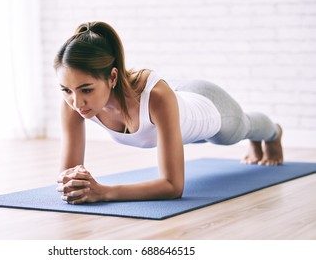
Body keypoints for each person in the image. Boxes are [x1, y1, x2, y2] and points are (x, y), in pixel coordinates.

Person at [54, 21, 283, 205]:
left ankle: (273, 134)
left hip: (211, 109)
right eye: (66, 90)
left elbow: (173, 186)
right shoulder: (74, 103)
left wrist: (103, 192)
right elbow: (68, 176)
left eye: (86, 89)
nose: (76, 101)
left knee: (243, 128)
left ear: (112, 77)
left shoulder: (155, 95)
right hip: (180, 101)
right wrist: (74, 185)